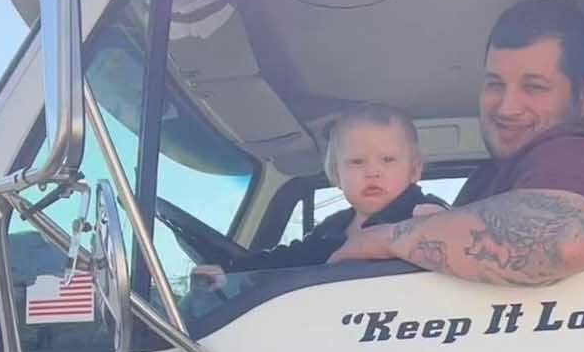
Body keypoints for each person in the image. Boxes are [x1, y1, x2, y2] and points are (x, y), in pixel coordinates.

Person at [330, 0, 584, 285]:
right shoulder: (491, 175)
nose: (507, 107)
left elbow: (566, 242)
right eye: (494, 84)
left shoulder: (576, 155)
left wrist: (383, 239)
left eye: (534, 87)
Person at [190, 103, 446, 288]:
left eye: (388, 160)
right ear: (336, 174)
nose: (372, 172)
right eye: (357, 162)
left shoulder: (420, 211)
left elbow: (454, 236)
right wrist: (232, 272)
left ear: (414, 170)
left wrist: (435, 225)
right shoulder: (332, 229)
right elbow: (287, 260)